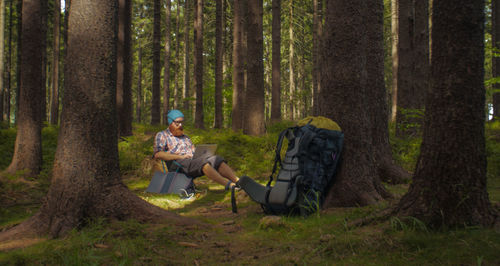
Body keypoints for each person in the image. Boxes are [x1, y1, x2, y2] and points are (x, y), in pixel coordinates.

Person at [153, 110, 240, 190]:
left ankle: (237, 181)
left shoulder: (185, 137)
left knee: (217, 159)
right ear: (170, 122)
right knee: (202, 162)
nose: (181, 125)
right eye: (177, 123)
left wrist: (202, 153)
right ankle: (229, 185)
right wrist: (180, 156)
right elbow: (158, 154)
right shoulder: (162, 135)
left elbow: (193, 150)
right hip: (179, 164)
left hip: (193, 161)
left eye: (182, 122)